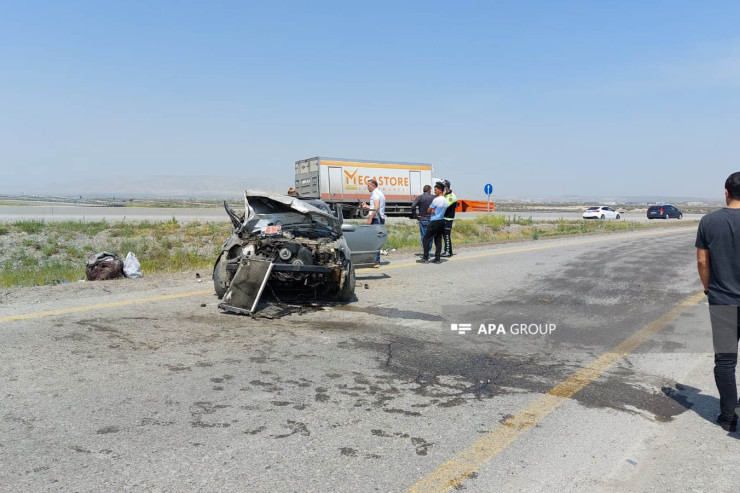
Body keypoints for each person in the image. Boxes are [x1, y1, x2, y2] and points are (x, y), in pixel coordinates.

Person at [696, 171, 740, 432]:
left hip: (722, 300)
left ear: (726, 192)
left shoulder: (709, 221)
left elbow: (702, 261)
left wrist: (707, 288)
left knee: (725, 361)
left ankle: (728, 417)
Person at [419, 182, 448, 263]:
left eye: (435, 190)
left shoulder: (436, 200)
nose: (434, 192)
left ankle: (425, 257)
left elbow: (428, 210)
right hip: (442, 221)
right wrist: (433, 210)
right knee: (438, 240)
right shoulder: (445, 200)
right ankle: (437, 258)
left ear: (440, 190)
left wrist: (432, 210)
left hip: (434, 221)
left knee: (426, 239)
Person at [361, 179, 386, 268]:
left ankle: (376, 261)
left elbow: (376, 207)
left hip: (376, 219)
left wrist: (370, 219)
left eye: (368, 185)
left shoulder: (375, 194)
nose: (367, 187)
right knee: (375, 240)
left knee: (375, 241)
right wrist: (366, 206)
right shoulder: (379, 193)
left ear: (373, 186)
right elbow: (374, 207)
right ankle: (374, 260)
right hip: (379, 218)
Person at [410, 185, 434, 257]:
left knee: (423, 236)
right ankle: (429, 251)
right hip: (431, 219)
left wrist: (415, 215)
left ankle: (425, 251)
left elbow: (413, 206)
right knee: (430, 236)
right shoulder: (433, 197)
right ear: (429, 190)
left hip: (422, 219)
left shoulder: (420, 197)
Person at [441, 179, 458, 257]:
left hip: (448, 219)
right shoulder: (446, 195)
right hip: (444, 218)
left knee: (447, 236)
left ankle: (448, 251)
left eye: (443, 187)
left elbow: (444, 205)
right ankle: (447, 250)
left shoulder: (451, 196)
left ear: (447, 187)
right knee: (444, 236)